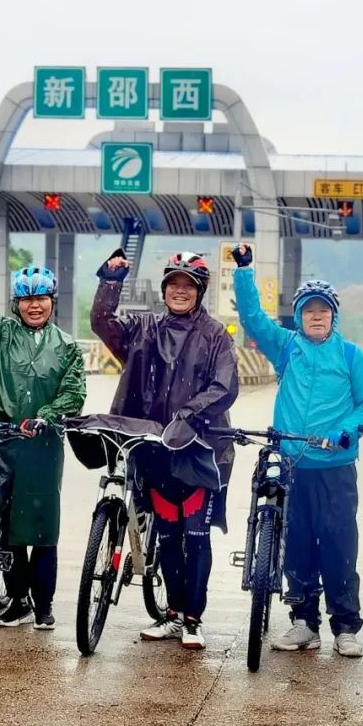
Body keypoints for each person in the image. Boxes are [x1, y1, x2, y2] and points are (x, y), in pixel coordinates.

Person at [232, 243, 363, 658]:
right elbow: (252, 319)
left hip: (334, 466)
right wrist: (245, 269)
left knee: (337, 544)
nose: (317, 316)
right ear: (298, 316)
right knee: (294, 542)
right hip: (290, 462)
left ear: (334, 315)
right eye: (309, 310)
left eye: (324, 310)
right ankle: (303, 622)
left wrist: (344, 429)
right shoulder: (286, 346)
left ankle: (345, 626)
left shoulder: (350, 355)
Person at [91, 249, 239, 650]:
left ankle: (193, 619)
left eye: (187, 285)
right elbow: (103, 324)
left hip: (198, 450)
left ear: (200, 291)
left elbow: (224, 387)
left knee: (195, 537)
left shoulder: (216, 337)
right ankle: (172, 615)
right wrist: (110, 282)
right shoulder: (145, 330)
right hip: (155, 449)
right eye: (173, 283)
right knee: (169, 538)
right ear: (164, 289)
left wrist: (188, 415)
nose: (179, 290)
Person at [0, 232, 86, 631]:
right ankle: (18, 599)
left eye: (41, 298)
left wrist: (48, 413)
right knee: (5, 527)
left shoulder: (67, 347)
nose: (34, 305)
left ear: (52, 301)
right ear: (17, 303)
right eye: (27, 299)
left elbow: (74, 391)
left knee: (43, 528)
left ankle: (44, 605)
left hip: (43, 448)